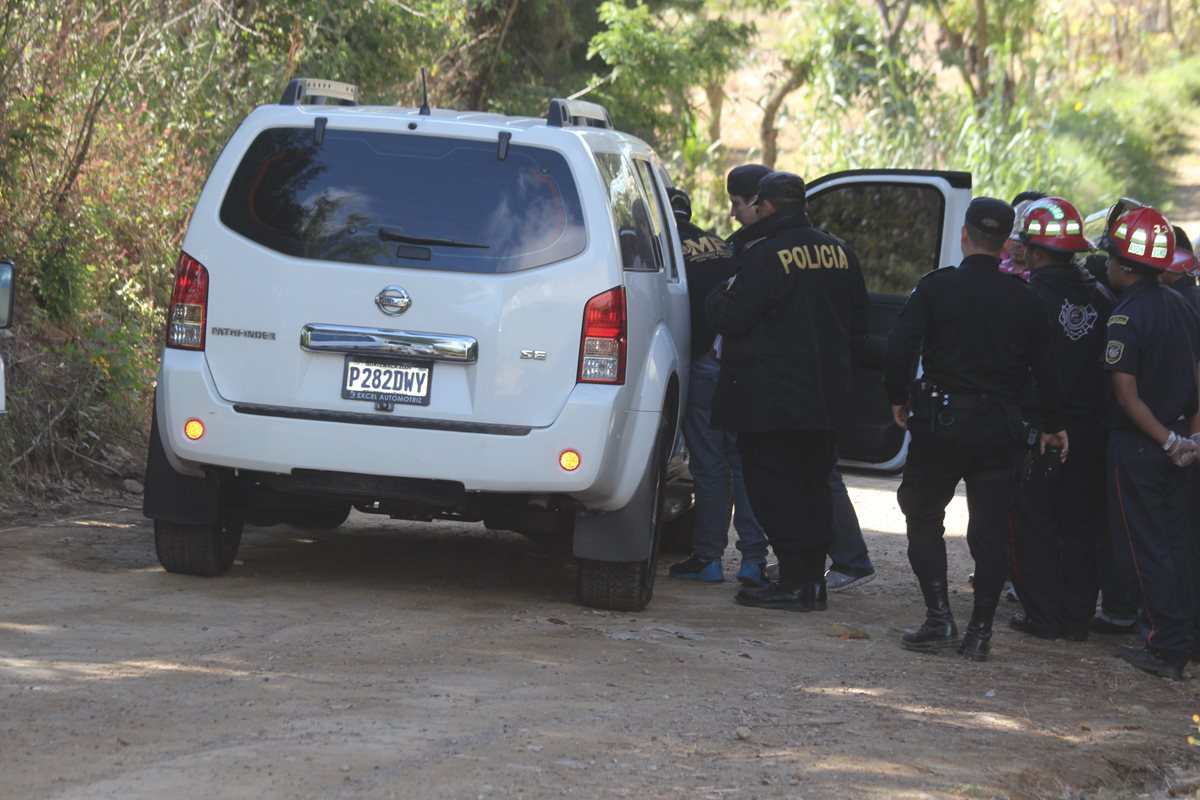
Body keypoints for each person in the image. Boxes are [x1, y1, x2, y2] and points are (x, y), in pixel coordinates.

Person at [884, 196, 1067, 662]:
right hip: (998, 432)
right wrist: (1052, 425)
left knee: (923, 517)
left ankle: (939, 617)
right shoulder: (1026, 298)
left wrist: (898, 397)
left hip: (940, 426)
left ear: (964, 235)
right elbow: (1047, 370)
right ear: (1007, 243)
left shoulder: (935, 288)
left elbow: (899, 347)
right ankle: (980, 632)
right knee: (989, 532)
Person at [706, 171, 868, 612]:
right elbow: (859, 326)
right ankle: (810, 582)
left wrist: (719, 290)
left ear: (768, 206)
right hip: (825, 398)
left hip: (771, 401)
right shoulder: (841, 252)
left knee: (774, 492)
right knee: (813, 488)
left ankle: (795, 583)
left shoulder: (764, 254)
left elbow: (729, 316)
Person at [1007, 198, 1115, 642]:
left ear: (1035, 252)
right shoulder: (1104, 297)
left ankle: (1042, 618)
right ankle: (1075, 620)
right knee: (1080, 525)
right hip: (1092, 430)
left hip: (1041, 428)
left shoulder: (1026, 297)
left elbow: (1015, 367)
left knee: (1034, 522)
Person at [1099, 206, 1200, 681]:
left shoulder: (1125, 318)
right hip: (1181, 444)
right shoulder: (1181, 304)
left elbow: (1126, 396)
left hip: (1143, 448)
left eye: (1111, 261)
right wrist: (1190, 438)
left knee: (1147, 547)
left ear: (1125, 266)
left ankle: (1163, 648)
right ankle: (1181, 639)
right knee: (1178, 544)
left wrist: (1166, 442)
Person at [665, 188, 771, 586]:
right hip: (734, 361)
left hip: (703, 365)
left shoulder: (664, 248)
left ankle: (708, 558)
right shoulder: (720, 245)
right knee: (741, 462)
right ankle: (753, 560)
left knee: (708, 465)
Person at [1000, 190, 1047, 280]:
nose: (1018, 243)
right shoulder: (996, 267)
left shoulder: (1045, 278)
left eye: (1026, 236)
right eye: (1014, 231)